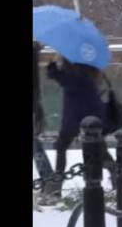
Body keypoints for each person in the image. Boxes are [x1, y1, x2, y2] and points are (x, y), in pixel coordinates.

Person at [46, 56, 116, 194]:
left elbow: (66, 82)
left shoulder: (76, 71)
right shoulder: (90, 67)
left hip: (75, 117)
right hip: (93, 117)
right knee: (101, 150)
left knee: (61, 147)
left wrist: (52, 66)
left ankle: (56, 186)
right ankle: (117, 180)